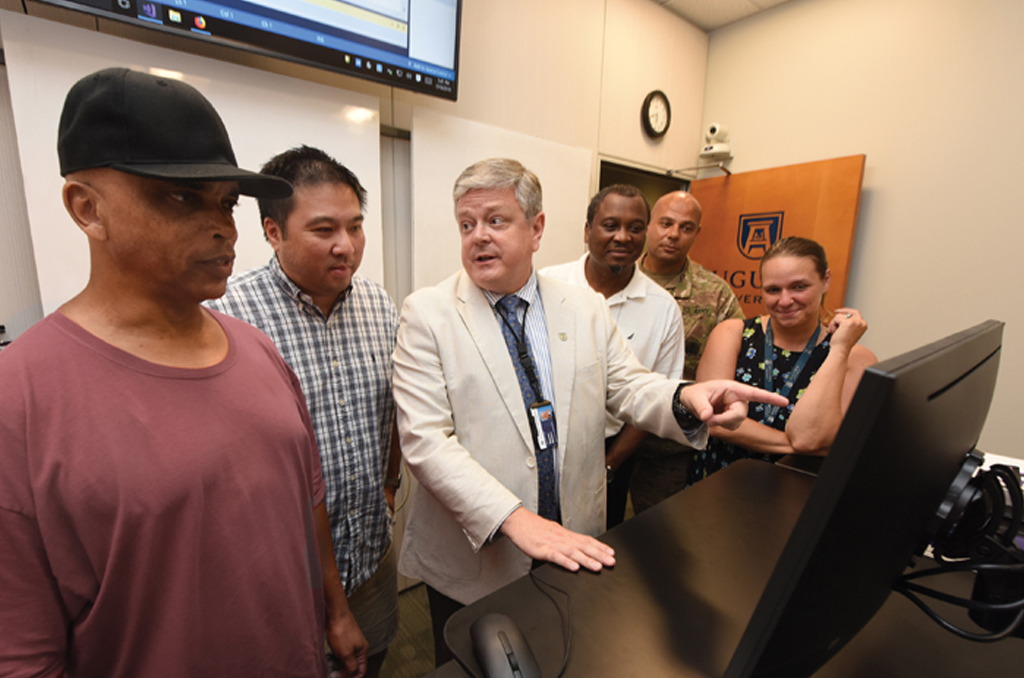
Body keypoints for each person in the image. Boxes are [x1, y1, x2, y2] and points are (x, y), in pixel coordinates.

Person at [0, 68, 362, 678]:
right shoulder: (20, 400)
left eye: (226, 202)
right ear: (87, 208)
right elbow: (24, 654)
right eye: (182, 198)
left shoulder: (258, 351)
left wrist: (334, 609)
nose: (223, 227)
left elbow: (307, 502)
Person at [391, 158, 789, 666]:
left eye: (495, 220)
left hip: (575, 536)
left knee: (566, 656)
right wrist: (513, 518)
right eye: (466, 225)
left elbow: (627, 385)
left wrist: (686, 398)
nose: (477, 237)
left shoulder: (584, 307)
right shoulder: (427, 313)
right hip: (475, 555)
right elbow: (426, 443)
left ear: (536, 229)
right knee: (475, 664)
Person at [207, 146, 400, 678]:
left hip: (369, 559)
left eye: (355, 226)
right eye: (323, 230)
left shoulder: (379, 305)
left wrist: (389, 486)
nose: (347, 247)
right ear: (273, 231)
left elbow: (394, 407)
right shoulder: (225, 316)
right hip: (280, 579)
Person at [540, 184, 684, 528]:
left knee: (595, 549)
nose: (622, 237)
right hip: (544, 446)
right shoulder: (546, 285)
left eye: (635, 228)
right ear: (588, 230)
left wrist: (609, 464)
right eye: (610, 225)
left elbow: (655, 398)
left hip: (612, 451)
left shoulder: (663, 308)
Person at [690, 236, 878, 484]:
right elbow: (713, 421)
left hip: (799, 491)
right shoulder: (732, 334)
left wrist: (839, 349)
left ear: (825, 281)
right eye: (773, 290)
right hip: (721, 483)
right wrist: (794, 445)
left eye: (799, 287)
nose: (785, 300)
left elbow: (825, 440)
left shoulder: (854, 357)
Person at [631, 190, 746, 512]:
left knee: (657, 534)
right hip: (609, 437)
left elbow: (739, 356)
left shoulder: (715, 294)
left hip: (670, 444)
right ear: (650, 225)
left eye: (686, 227)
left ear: (696, 233)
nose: (673, 235)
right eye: (665, 223)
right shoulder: (617, 281)